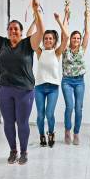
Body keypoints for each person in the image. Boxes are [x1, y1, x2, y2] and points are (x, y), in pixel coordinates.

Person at [0, 0, 44, 164]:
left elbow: (41, 32)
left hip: (25, 90)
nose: (13, 31)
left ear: (21, 32)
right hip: (5, 89)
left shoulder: (28, 44)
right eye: (10, 29)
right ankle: (13, 150)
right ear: (7, 32)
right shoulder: (2, 43)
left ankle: (23, 151)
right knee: (8, 123)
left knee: (22, 123)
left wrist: (36, 11)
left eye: (16, 29)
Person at [27, 9, 69, 147]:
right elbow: (28, 36)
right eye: (45, 38)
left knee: (49, 114)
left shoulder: (57, 52)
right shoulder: (39, 52)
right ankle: (41, 135)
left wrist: (58, 20)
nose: (48, 40)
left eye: (50, 38)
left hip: (52, 88)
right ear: (43, 40)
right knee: (40, 115)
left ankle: (51, 133)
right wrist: (35, 20)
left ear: (54, 40)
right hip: (39, 87)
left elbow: (66, 37)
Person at [61, 7, 90, 145]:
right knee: (70, 106)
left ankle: (76, 133)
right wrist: (66, 14)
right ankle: (67, 131)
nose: (77, 39)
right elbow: (64, 32)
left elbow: (88, 33)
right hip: (67, 81)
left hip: (79, 81)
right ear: (70, 39)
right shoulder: (65, 48)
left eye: (78, 38)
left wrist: (86, 18)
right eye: (74, 37)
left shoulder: (82, 48)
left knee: (79, 108)